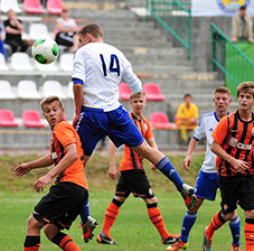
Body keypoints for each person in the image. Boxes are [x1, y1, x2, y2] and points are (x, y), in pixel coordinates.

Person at [72, 24, 196, 232]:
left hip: (93, 112)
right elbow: (137, 87)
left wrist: (77, 112)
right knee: (147, 150)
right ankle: (181, 185)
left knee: (77, 165)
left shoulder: (83, 52)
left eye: (80, 40)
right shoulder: (118, 53)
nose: (79, 44)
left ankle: (86, 218)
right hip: (116, 112)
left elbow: (78, 85)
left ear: (88, 36)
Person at [12, 96, 96, 251]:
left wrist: (49, 176)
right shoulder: (61, 131)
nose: (51, 114)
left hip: (69, 186)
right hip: (80, 190)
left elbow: (72, 154)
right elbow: (54, 156)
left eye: (54, 110)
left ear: (62, 111)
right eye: (47, 111)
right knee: (51, 231)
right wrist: (30, 165)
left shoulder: (61, 127)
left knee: (33, 223)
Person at [167, 87, 241, 251]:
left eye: (224, 99)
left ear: (229, 101)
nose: (221, 101)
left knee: (230, 210)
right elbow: (195, 138)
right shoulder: (207, 119)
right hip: (208, 171)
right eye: (218, 98)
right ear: (214, 101)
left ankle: (236, 244)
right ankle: (183, 241)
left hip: (228, 173)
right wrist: (188, 155)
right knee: (193, 206)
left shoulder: (235, 121)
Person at [98, 92, 179, 245]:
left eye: (141, 101)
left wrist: (156, 159)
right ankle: (164, 236)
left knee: (118, 199)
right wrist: (112, 165)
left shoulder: (146, 123)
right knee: (151, 199)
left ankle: (104, 234)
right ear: (130, 103)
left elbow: (152, 143)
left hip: (132, 169)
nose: (138, 104)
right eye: (135, 101)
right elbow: (112, 142)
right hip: (132, 169)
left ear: (146, 103)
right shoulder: (126, 120)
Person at [202, 82, 254, 251]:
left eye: (248, 97)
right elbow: (214, 146)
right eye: (242, 97)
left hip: (249, 172)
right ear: (238, 99)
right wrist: (233, 161)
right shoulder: (228, 122)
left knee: (251, 211)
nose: (244, 100)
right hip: (227, 172)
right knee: (228, 213)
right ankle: (209, 231)